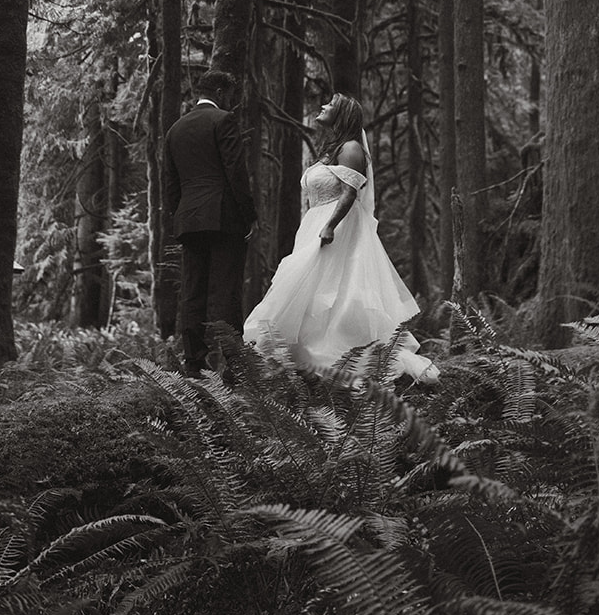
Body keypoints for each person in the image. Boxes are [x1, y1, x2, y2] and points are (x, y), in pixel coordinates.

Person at [243, 93, 438, 384]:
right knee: (311, 291)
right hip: (314, 223)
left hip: (338, 228)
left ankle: (341, 361)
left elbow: (349, 193)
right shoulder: (332, 149)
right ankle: (302, 360)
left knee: (335, 293)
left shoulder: (351, 148)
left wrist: (330, 226)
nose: (322, 107)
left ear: (343, 114)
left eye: (329, 105)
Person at [163, 68, 256, 376]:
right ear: (219, 93)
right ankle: (234, 365)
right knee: (227, 290)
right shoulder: (224, 121)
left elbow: (170, 184)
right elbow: (236, 173)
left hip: (189, 219)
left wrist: (181, 214)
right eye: (229, 95)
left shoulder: (175, 129)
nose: (231, 102)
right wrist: (249, 216)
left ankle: (193, 363)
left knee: (192, 291)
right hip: (223, 217)